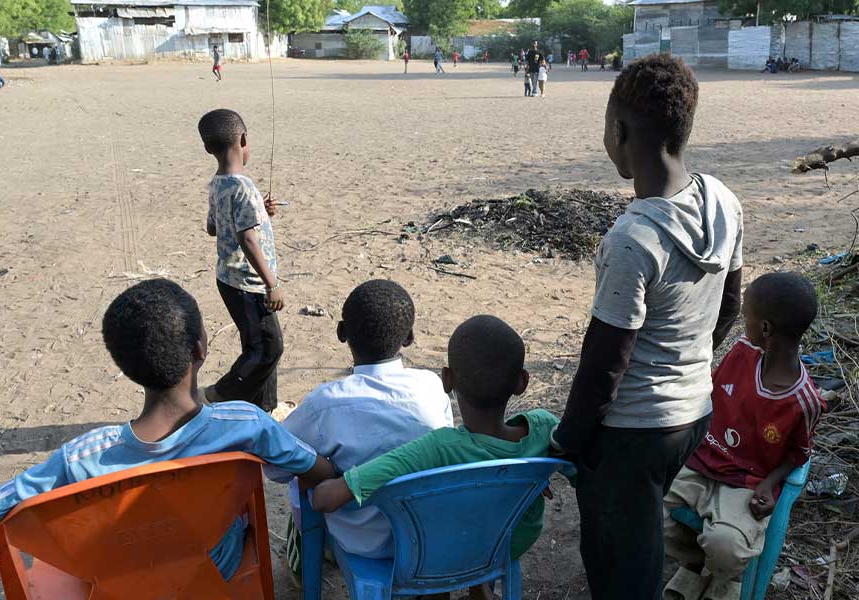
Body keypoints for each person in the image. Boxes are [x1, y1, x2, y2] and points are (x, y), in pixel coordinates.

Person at [0, 279, 335, 581]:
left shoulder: (82, 457)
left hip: (120, 578)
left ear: (125, 366)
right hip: (215, 566)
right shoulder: (245, 423)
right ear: (200, 349)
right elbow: (320, 470)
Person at [552, 54, 744, 600]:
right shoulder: (724, 202)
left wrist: (570, 440)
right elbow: (729, 305)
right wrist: (689, 366)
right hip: (694, 413)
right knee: (642, 532)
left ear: (619, 131)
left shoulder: (633, 239)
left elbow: (605, 364)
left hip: (634, 432)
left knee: (622, 569)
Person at [312, 315, 560, 599]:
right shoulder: (544, 428)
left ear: (447, 379)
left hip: (440, 558)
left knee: (435, 520)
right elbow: (578, 464)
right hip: (507, 543)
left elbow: (325, 499)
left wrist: (322, 478)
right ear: (522, 381)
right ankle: (477, 584)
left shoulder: (437, 448)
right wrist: (538, 475)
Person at [663, 273, 825, 600]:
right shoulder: (740, 354)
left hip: (745, 482)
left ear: (765, 328)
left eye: (746, 315)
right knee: (646, 510)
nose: (742, 322)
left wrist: (770, 483)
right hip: (700, 460)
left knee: (727, 546)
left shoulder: (804, 401)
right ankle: (694, 564)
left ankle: (725, 578)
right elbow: (709, 391)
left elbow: (799, 454)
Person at [281, 279, 453, 571]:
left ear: (342, 333)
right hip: (426, 536)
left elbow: (277, 464)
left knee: (303, 478)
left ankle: (312, 558)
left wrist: (325, 468)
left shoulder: (324, 403)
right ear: (409, 338)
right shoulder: (431, 386)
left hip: (363, 543)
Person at [199, 109, 285, 412]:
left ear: (209, 148)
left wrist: (259, 211)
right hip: (247, 283)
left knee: (262, 347)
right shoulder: (243, 187)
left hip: (229, 280)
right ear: (244, 140)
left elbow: (213, 227)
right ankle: (218, 395)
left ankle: (266, 408)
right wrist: (271, 283)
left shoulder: (219, 183)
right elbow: (247, 239)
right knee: (267, 348)